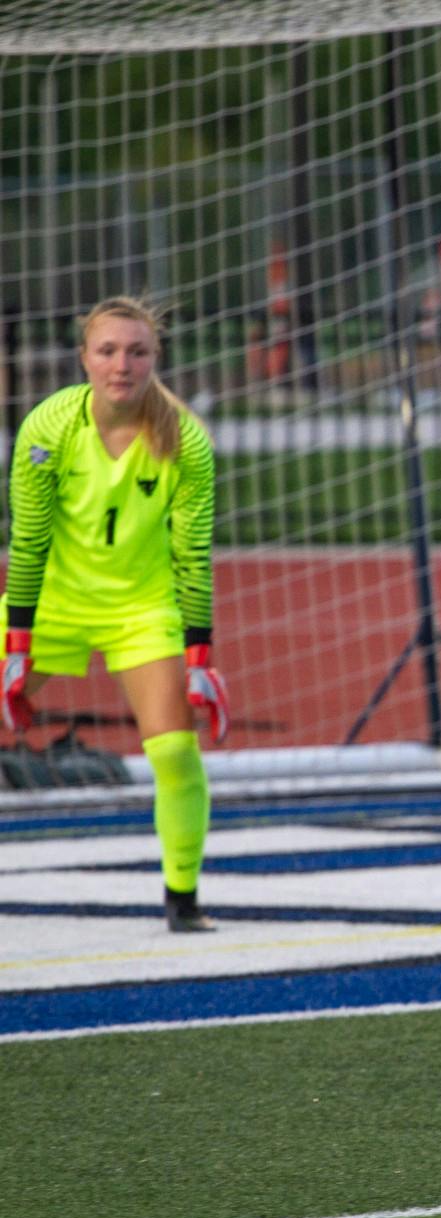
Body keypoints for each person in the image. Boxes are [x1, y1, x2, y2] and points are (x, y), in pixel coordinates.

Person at [4, 295, 230, 932]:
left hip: (142, 608)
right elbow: (28, 540)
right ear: (84, 358)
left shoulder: (185, 441)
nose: (121, 365)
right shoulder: (47, 428)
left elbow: (192, 553)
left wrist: (199, 657)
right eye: (107, 350)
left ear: (156, 358)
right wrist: (17, 646)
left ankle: (182, 898)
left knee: (175, 753)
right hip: (54, 601)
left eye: (137, 351)